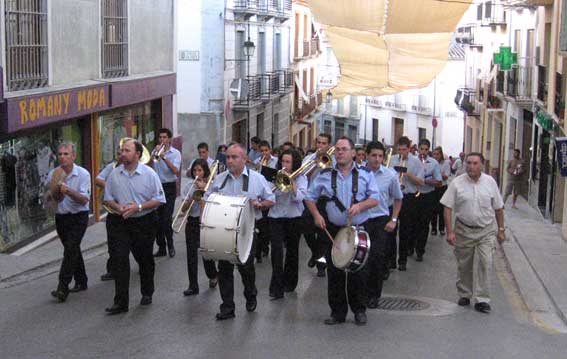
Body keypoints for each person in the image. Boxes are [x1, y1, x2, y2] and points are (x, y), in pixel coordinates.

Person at [305, 136, 380, 326]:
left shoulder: (365, 174)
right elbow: (309, 196)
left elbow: (375, 199)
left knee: (358, 272)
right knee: (335, 271)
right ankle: (337, 312)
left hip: (358, 228)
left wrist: (360, 206)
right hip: (334, 229)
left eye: (344, 149)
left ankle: (359, 310)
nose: (339, 152)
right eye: (337, 149)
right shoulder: (325, 174)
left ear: (353, 153)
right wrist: (316, 215)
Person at [206, 143, 275, 320]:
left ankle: (250, 294)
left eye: (234, 157)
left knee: (246, 268)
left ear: (244, 159)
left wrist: (260, 204)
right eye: (228, 157)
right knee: (224, 269)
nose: (229, 160)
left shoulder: (257, 178)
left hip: (248, 230)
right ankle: (227, 307)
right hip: (224, 231)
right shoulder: (220, 179)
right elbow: (209, 200)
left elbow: (271, 199)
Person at [103, 139, 166, 314]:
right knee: (120, 260)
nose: (123, 153)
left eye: (127, 150)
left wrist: (137, 207)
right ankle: (121, 302)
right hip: (120, 221)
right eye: (121, 150)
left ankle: (147, 291)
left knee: (144, 259)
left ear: (137, 154)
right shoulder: (115, 174)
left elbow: (160, 199)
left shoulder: (149, 174)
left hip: (143, 221)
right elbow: (107, 198)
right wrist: (119, 207)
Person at [441, 152, 505, 314]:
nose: (471, 166)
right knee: (464, 264)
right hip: (463, 230)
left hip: (486, 230)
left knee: (485, 262)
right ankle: (465, 293)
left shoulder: (490, 182)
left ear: (482, 165)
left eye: (475, 163)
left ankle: (482, 299)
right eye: (468, 163)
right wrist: (450, 231)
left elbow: (498, 207)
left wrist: (501, 230)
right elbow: (447, 207)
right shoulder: (457, 183)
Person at [48, 143, 92, 303]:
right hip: (61, 217)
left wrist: (68, 191)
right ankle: (82, 280)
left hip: (79, 216)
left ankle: (62, 287)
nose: (62, 157)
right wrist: (50, 197)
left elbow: (84, 199)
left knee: (70, 249)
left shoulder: (83, 174)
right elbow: (51, 196)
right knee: (71, 249)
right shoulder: (54, 174)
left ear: (73, 156)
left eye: (66, 154)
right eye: (60, 154)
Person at [364, 141, 403, 308]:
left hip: (380, 220)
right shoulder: (358, 173)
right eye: (373, 155)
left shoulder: (390, 175)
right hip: (362, 219)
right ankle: (361, 292)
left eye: (380, 156)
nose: (377, 159)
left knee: (377, 258)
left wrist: (393, 219)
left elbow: (398, 198)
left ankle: (374, 295)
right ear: (367, 155)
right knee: (361, 258)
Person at [268, 149, 308, 300]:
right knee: (277, 252)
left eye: (288, 162)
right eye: (282, 162)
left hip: (294, 217)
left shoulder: (301, 178)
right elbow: (268, 194)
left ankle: (290, 283)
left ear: (294, 163)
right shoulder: (274, 175)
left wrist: (291, 183)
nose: (284, 165)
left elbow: (300, 198)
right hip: (275, 217)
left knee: (292, 252)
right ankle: (276, 287)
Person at [181, 159, 219, 296]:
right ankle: (193, 285)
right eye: (195, 170)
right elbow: (183, 210)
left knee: (205, 253)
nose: (197, 173)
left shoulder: (212, 187)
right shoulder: (188, 187)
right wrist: (191, 198)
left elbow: (211, 208)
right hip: (191, 222)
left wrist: (202, 193)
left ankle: (213, 275)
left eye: (200, 170)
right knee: (191, 254)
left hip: (206, 222)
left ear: (205, 172)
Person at [302, 133, 335, 278]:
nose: (321, 146)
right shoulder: (309, 159)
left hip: (326, 199)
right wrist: (316, 164)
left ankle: (322, 266)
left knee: (323, 234)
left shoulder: (334, 160)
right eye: (319, 143)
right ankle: (316, 253)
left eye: (324, 143)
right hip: (310, 198)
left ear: (329, 145)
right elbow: (304, 176)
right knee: (307, 229)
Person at [389, 136, 424, 271]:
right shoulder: (392, 160)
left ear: (409, 149)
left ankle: (402, 260)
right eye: (399, 150)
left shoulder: (416, 162)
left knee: (405, 230)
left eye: (404, 150)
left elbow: (421, 182)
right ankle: (391, 261)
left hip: (408, 198)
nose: (402, 153)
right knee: (391, 230)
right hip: (393, 198)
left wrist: (407, 174)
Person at [151, 128, 182, 258]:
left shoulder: (175, 153)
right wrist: (155, 155)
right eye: (160, 137)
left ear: (169, 139)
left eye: (164, 137)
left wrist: (164, 157)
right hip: (157, 187)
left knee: (166, 219)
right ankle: (161, 247)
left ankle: (170, 245)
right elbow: (150, 165)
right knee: (156, 220)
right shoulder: (155, 151)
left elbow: (175, 171)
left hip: (169, 187)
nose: (162, 140)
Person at [95, 150, 122, 282]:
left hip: (130, 212)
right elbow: (98, 179)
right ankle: (112, 270)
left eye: (124, 152)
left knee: (134, 245)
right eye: (118, 153)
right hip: (113, 212)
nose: (120, 155)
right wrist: (110, 187)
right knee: (112, 243)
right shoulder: (111, 167)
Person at [414, 139, 442, 262]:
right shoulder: (412, 161)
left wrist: (424, 180)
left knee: (424, 224)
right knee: (413, 223)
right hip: (414, 194)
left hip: (428, 196)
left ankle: (420, 250)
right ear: (418, 149)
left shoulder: (434, 163)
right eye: (422, 149)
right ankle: (411, 245)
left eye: (426, 149)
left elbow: (439, 182)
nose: (423, 152)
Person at [431, 147, 451, 236]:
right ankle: (434, 228)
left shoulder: (446, 163)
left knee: (442, 209)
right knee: (433, 209)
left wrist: (437, 173)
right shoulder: (430, 162)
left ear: (441, 155)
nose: (435, 156)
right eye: (434, 154)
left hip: (442, 187)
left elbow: (446, 176)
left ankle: (442, 228)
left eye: (437, 154)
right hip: (433, 187)